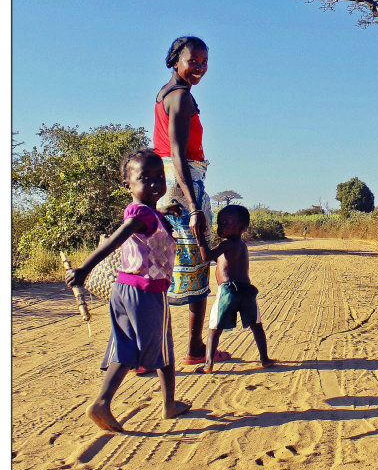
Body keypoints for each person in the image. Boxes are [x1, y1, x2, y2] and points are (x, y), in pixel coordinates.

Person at [64, 149, 191, 433]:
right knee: (163, 349)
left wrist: (162, 211)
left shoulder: (146, 212)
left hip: (124, 290)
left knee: (127, 347)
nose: (156, 183)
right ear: (128, 185)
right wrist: (84, 269)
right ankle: (167, 405)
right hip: (147, 292)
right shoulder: (139, 216)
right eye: (145, 178)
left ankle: (103, 402)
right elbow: (115, 240)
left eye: (160, 176)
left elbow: (143, 226)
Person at [153, 35, 223, 365]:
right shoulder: (180, 98)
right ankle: (193, 349)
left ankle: (148, 352)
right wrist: (195, 206)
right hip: (183, 187)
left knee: (161, 270)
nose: (199, 67)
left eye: (204, 62)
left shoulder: (165, 94)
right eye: (193, 60)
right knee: (197, 263)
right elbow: (178, 155)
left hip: (169, 186)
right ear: (175, 60)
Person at [197, 205, 276, 374]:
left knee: (214, 328)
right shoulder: (241, 245)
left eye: (226, 222)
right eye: (219, 222)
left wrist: (199, 237)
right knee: (256, 325)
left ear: (242, 227)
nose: (221, 226)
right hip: (247, 290)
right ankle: (265, 359)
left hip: (228, 291)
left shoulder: (226, 244)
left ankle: (208, 364)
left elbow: (206, 257)